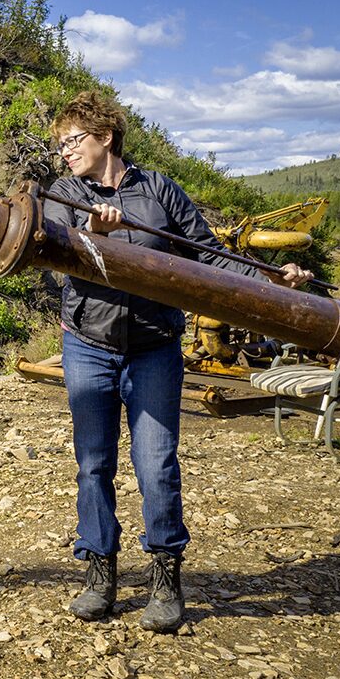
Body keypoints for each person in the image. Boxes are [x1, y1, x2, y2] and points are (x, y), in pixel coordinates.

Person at [41, 91, 312, 633]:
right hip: (87, 345)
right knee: (94, 464)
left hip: (153, 347)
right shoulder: (65, 194)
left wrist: (271, 280)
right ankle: (100, 573)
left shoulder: (159, 189)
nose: (66, 151)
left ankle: (166, 578)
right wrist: (97, 234)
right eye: (62, 143)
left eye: (74, 140)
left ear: (106, 137)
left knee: (156, 465)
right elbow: (61, 251)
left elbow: (210, 255)